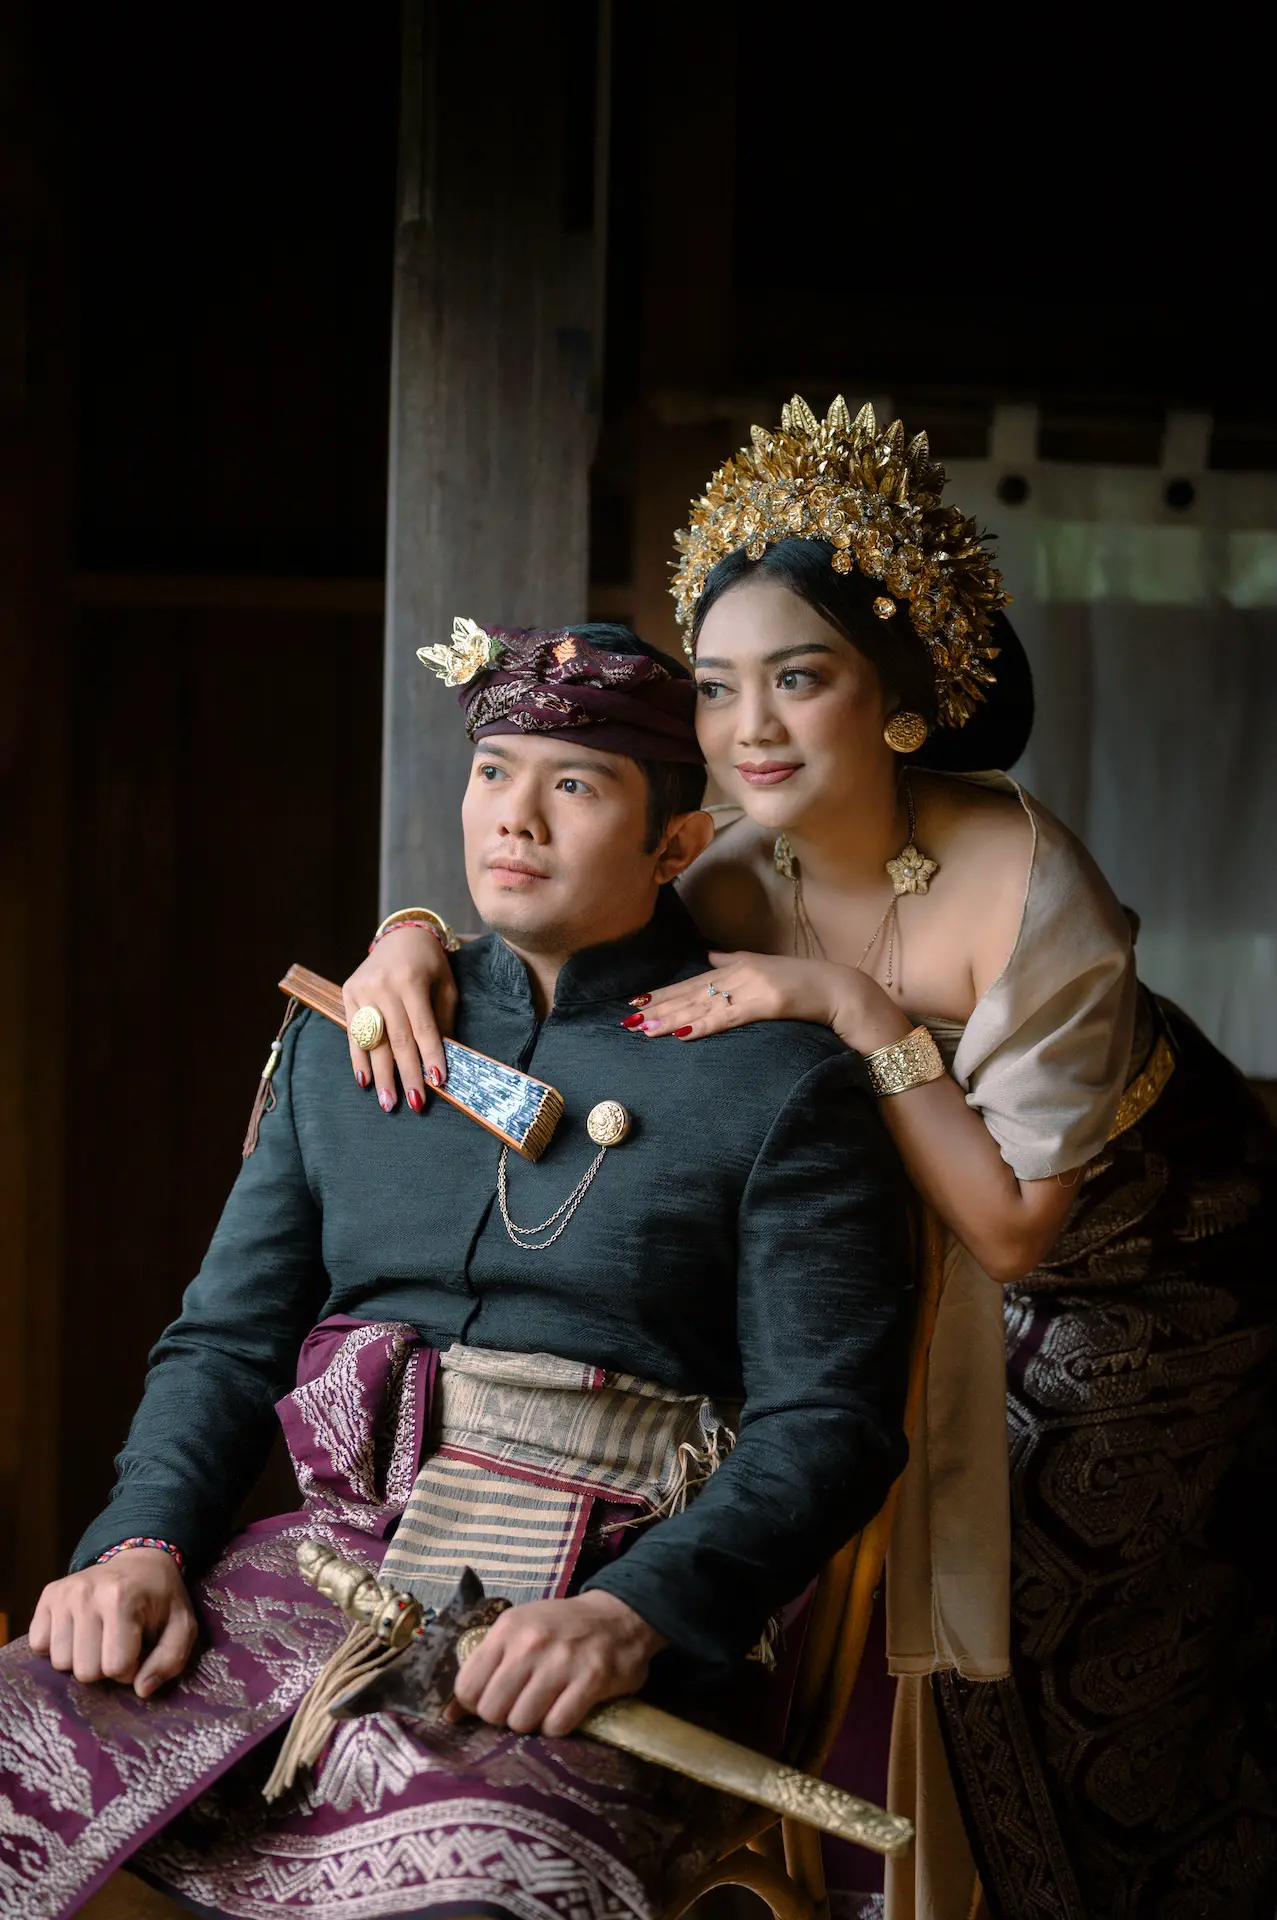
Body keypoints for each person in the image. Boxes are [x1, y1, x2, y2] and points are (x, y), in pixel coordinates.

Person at [341, 400, 1277, 1920]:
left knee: (1071, 1618)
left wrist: (852, 1005)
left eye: (800, 678)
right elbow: (555, 936)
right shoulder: (722, 876)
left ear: (896, 697)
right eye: (717, 688)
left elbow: (1016, 1233)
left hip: (1147, 1275)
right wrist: (409, 941)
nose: (750, 730)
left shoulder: (1029, 882)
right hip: (927, 1253)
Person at [0, 619, 914, 1920]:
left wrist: (635, 1615)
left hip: (587, 1615)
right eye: (494, 773)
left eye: (575, 784)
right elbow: (227, 1343)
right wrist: (140, 1543)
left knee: (480, 1886)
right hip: (320, 1576)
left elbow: (826, 1424)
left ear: (676, 843)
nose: (515, 819)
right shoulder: (349, 1041)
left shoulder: (776, 1080)